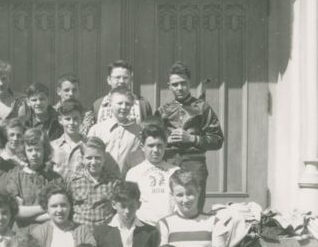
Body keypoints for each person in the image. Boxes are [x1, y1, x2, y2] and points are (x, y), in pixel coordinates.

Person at [157, 61, 224, 212]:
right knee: (169, 209)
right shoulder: (162, 111)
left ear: (189, 83)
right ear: (169, 85)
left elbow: (218, 140)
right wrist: (166, 141)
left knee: (194, 210)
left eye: (183, 83)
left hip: (194, 165)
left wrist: (192, 139)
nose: (179, 88)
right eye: (175, 84)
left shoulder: (202, 108)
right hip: (169, 165)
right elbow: (151, 141)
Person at [158, 170, 231, 247]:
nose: (185, 200)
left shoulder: (214, 222)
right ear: (172, 195)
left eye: (190, 193)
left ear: (198, 191)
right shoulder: (165, 224)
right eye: (179, 195)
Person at [4, 127, 64, 226]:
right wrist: (47, 207)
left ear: (45, 150)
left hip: (48, 230)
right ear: (24, 151)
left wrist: (29, 213)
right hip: (22, 232)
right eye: (30, 150)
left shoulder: (55, 179)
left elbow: (58, 212)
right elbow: (17, 211)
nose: (34, 154)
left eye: (38, 149)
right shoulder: (15, 176)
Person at [125, 124, 179, 226]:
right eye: (151, 146)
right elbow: (130, 203)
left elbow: (179, 202)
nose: (155, 150)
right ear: (142, 147)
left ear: (165, 145)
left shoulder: (175, 171)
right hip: (143, 227)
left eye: (159, 145)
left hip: (170, 226)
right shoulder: (133, 173)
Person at [87, 86, 145, 175]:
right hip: (103, 181)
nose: (124, 107)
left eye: (128, 104)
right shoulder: (97, 130)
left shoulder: (138, 131)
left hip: (128, 181)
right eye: (120, 103)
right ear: (110, 105)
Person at [67, 137, 121, 227]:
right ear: (82, 159)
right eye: (89, 158)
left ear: (104, 158)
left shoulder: (113, 181)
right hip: (80, 231)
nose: (93, 162)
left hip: (105, 232)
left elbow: (118, 210)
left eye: (98, 158)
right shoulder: (73, 180)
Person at [90, 60, 153, 128]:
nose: (121, 81)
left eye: (125, 78)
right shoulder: (98, 105)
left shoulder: (142, 104)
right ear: (109, 80)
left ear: (131, 80)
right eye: (117, 77)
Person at [50, 99, 87, 179]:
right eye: (67, 119)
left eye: (75, 118)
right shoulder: (52, 146)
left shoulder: (88, 146)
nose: (71, 123)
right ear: (60, 120)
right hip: (58, 189)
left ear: (82, 119)